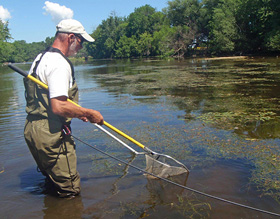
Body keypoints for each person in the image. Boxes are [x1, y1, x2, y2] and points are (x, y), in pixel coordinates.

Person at [24, 19, 104, 198]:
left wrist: (77, 112)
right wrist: (89, 113)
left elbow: (49, 99)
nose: (81, 47)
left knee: (52, 180)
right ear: (71, 37)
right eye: (81, 42)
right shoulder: (60, 64)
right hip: (50, 134)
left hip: (32, 130)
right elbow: (59, 106)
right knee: (70, 189)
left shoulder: (40, 58)